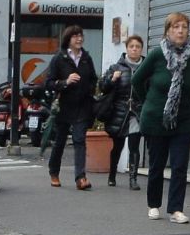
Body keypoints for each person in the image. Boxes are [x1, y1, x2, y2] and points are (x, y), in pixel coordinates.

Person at [129, 12, 190, 223]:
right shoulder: (156, 55)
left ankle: (176, 210)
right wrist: (150, 103)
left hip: (184, 119)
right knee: (157, 165)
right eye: (176, 27)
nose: (180, 31)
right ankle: (154, 204)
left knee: (179, 165)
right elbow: (136, 80)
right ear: (168, 31)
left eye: (184, 27)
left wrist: (181, 101)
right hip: (156, 119)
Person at [43, 26, 98, 189]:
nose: (79, 39)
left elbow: (93, 79)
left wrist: (90, 89)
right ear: (68, 39)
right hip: (64, 107)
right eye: (75, 36)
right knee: (59, 141)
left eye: (81, 36)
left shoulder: (86, 58)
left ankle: (80, 178)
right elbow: (48, 83)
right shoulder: (59, 58)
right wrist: (65, 82)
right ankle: (54, 172)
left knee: (80, 140)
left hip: (82, 106)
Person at [99, 34, 147, 190]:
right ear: (127, 49)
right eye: (131, 46)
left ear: (141, 49)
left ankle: (133, 179)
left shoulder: (147, 67)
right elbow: (103, 87)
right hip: (119, 112)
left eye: (138, 47)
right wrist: (112, 79)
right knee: (118, 146)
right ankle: (112, 175)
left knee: (134, 146)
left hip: (136, 113)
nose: (134, 49)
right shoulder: (116, 67)